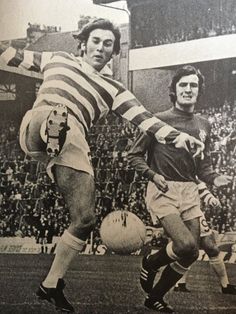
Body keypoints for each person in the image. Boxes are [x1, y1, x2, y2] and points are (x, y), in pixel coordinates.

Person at [0, 19, 204, 313]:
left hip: (72, 142)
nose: (101, 47)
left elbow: (144, 118)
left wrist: (179, 136)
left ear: (113, 52)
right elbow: (10, 55)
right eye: (96, 41)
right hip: (41, 122)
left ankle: (51, 283)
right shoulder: (56, 59)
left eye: (108, 44)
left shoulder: (113, 88)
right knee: (55, 114)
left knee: (85, 218)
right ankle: (51, 129)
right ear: (83, 42)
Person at [128, 65, 232, 312]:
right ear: (174, 90)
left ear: (199, 90)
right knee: (185, 245)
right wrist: (153, 176)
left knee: (191, 253)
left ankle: (154, 297)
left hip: (190, 192)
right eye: (183, 85)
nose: (188, 89)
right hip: (163, 189)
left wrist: (215, 177)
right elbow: (134, 156)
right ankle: (152, 261)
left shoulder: (204, 124)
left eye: (193, 85)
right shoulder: (158, 120)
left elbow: (203, 166)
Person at [174, 184, 236, 294]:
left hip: (193, 210)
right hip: (175, 209)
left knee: (212, 248)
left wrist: (209, 197)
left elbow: (198, 182)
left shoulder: (192, 168)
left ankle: (225, 285)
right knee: (187, 248)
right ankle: (179, 283)